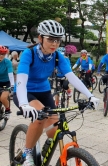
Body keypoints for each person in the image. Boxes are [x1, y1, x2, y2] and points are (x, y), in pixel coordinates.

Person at [13, 19, 100, 166]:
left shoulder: (58, 56)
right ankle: (27, 153)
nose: (54, 44)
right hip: (25, 92)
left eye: (57, 40)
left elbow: (73, 78)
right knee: (40, 115)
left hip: (44, 91)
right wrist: (23, 104)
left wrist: (90, 95)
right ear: (40, 38)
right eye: (50, 39)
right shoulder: (29, 53)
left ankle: (41, 151)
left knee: (54, 129)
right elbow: (21, 80)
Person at [0, 45, 14, 118]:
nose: (1, 56)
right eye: (0, 53)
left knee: (3, 98)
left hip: (6, 82)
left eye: (3, 54)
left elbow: (10, 74)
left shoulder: (7, 62)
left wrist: (12, 85)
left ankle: (7, 110)